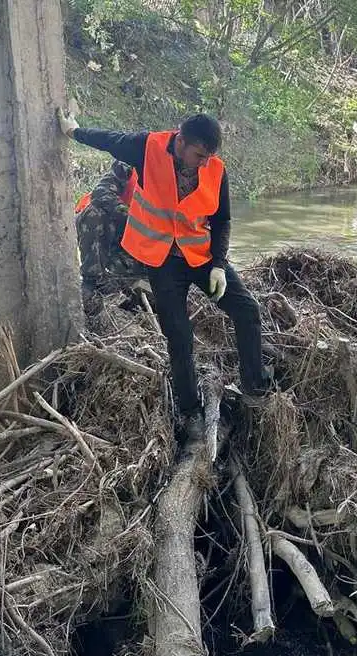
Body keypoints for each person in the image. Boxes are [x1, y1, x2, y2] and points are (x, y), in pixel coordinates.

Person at [57, 110, 270, 442]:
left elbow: (223, 219)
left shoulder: (214, 169)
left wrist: (218, 263)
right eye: (198, 155)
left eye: (209, 156)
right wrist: (73, 131)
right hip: (162, 261)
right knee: (179, 335)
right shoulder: (147, 147)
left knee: (247, 310)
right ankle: (190, 413)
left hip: (200, 257)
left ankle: (255, 390)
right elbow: (109, 139)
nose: (203, 163)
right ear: (180, 142)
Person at [72, 159, 143, 315]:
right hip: (106, 228)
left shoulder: (181, 180)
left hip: (136, 242)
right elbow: (101, 193)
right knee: (95, 212)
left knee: (121, 285)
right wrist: (132, 219)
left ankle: (112, 287)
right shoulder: (129, 163)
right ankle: (90, 280)